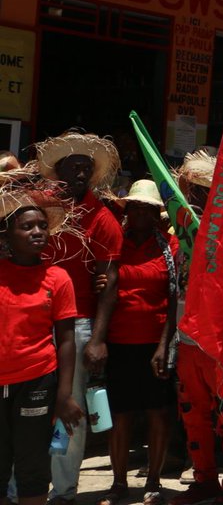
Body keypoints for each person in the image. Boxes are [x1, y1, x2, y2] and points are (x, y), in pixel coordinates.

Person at [35, 132, 123, 505]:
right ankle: (21, 484)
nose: (81, 173)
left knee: (70, 408)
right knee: (28, 406)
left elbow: (109, 281)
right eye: (74, 166)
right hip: (34, 321)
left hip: (79, 322)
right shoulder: (38, 207)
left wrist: (98, 339)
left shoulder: (101, 217)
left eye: (86, 167)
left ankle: (64, 490)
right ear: (59, 170)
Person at [166, 151, 223, 505]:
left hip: (218, 339)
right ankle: (204, 479)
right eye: (193, 189)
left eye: (204, 189)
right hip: (187, 338)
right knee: (192, 414)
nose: (197, 196)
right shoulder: (179, 233)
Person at [0, 182, 85, 505]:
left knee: (32, 466)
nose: (37, 232)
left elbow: (66, 339)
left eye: (41, 226)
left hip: (37, 381)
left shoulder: (58, 278)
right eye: (26, 227)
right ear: (7, 235)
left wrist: (64, 395)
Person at [98, 182, 178, 505]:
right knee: (120, 415)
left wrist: (163, 345)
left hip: (156, 344)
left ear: (158, 214)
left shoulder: (170, 246)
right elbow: (104, 288)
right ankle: (119, 483)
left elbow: (174, 299)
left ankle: (153, 482)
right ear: (127, 211)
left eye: (148, 209)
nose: (141, 214)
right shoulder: (114, 243)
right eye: (135, 208)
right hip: (119, 343)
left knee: (158, 414)